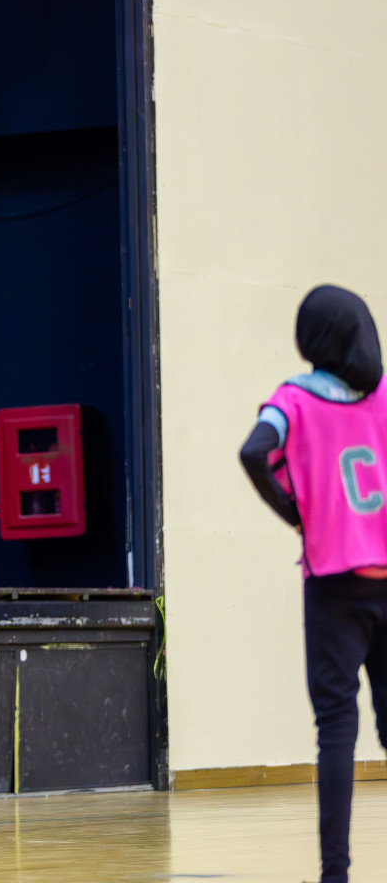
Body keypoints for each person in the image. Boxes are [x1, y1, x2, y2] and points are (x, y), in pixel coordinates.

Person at [239, 285, 387, 883]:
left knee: (336, 729)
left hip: (334, 583)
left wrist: (296, 512)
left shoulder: (293, 399)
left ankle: (336, 874)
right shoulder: (383, 393)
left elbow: (255, 451)